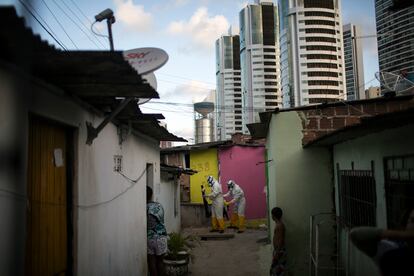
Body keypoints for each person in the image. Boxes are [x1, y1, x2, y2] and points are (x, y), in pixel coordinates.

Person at [350, 208, 414, 276]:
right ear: (405, 225)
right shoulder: (393, 250)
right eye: (413, 220)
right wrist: (404, 234)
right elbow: (355, 234)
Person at [147, 186, 167, 276]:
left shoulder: (144, 207)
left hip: (150, 237)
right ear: (151, 195)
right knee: (160, 262)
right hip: (162, 237)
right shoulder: (159, 205)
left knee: (152, 262)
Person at [270, 207, 286, 276]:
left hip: (279, 251)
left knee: (276, 271)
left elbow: (280, 240)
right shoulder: (278, 224)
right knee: (276, 270)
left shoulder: (279, 225)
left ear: (273, 216)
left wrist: (277, 252)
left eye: (272, 215)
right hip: (278, 250)